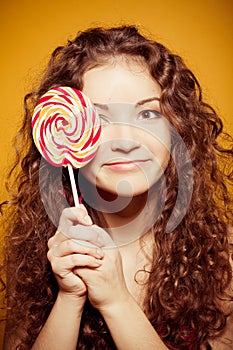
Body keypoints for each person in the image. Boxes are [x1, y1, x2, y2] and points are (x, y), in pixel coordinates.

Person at [0, 25, 233, 350]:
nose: (125, 141)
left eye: (148, 113)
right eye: (100, 117)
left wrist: (116, 302)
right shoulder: (39, 250)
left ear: (176, 129)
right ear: (63, 133)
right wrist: (69, 297)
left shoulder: (222, 254)